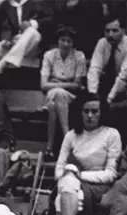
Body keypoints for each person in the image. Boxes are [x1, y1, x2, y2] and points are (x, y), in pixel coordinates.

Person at [43, 93, 122, 215]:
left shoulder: (111, 134)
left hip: (97, 187)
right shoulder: (71, 135)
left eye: (94, 111)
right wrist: (68, 174)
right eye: (86, 111)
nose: (90, 116)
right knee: (66, 187)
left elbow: (111, 174)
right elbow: (59, 168)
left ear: (101, 113)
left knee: (66, 188)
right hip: (70, 184)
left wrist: (78, 175)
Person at [0, 0, 56, 84]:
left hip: (34, 46)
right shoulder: (5, 5)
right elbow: (5, 27)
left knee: (31, 31)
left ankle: (2, 64)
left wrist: (32, 23)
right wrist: (6, 40)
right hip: (15, 43)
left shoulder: (37, 2)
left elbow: (52, 19)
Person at [40, 26, 86, 158]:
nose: (65, 44)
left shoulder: (79, 56)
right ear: (58, 41)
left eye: (69, 41)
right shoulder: (49, 55)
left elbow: (77, 85)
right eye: (62, 40)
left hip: (71, 96)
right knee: (58, 94)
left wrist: (55, 83)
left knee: (53, 103)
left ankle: (49, 147)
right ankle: (68, 141)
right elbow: (43, 85)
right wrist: (68, 84)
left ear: (73, 43)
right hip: (52, 93)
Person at [87, 15, 127, 102]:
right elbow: (95, 68)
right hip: (107, 82)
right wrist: (92, 93)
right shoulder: (102, 42)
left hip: (126, 85)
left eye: (115, 31)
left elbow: (123, 76)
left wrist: (109, 99)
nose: (110, 35)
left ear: (124, 30)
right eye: (107, 31)